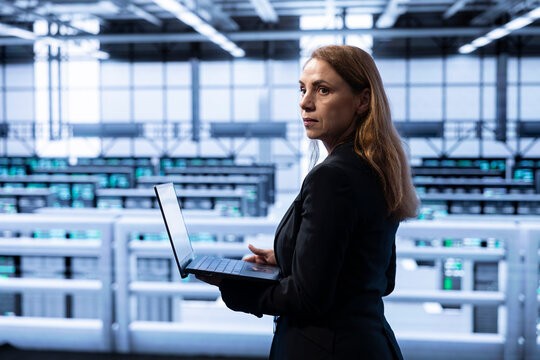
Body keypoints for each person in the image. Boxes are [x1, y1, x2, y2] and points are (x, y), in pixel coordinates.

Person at [198, 44, 419, 359]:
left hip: (324, 347)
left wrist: (233, 287)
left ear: (363, 100)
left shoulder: (332, 177)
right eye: (303, 90)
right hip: (369, 342)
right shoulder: (375, 168)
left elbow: (308, 299)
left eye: (323, 90)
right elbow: (380, 277)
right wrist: (290, 256)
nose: (305, 102)